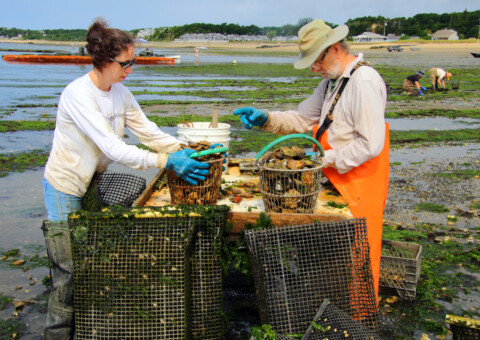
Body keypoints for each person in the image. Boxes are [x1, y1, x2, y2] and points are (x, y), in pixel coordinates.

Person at [42, 18, 212, 339]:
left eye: (132, 62)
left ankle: (89, 328)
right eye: (126, 63)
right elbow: (113, 148)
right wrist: (166, 162)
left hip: (92, 184)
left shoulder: (120, 93)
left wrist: (186, 150)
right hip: (64, 186)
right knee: (68, 272)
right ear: (105, 60)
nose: (130, 69)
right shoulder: (78, 95)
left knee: (92, 261)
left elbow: (147, 131)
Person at [234, 19, 389, 299]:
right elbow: (302, 118)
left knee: (357, 257)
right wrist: (266, 118)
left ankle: (356, 316)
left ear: (335, 49)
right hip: (335, 181)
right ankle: (328, 306)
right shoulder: (332, 84)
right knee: (333, 258)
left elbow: (371, 144)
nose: (314, 69)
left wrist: (322, 159)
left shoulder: (363, 82)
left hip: (359, 187)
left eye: (316, 61)